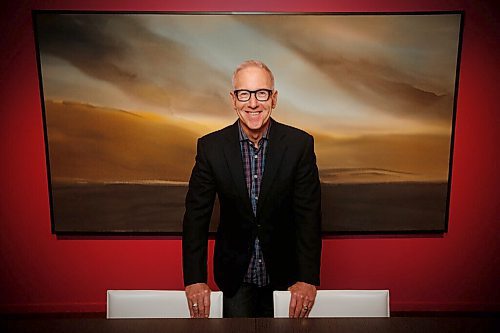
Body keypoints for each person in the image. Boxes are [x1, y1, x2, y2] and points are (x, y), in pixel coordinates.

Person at [182, 60, 322, 318]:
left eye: (262, 93)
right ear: (234, 99)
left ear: (274, 98)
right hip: (235, 278)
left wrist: (307, 278)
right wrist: (194, 279)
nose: (253, 103)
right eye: (244, 93)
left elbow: (309, 216)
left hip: (287, 280)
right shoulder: (211, 147)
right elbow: (195, 217)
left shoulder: (299, 145)